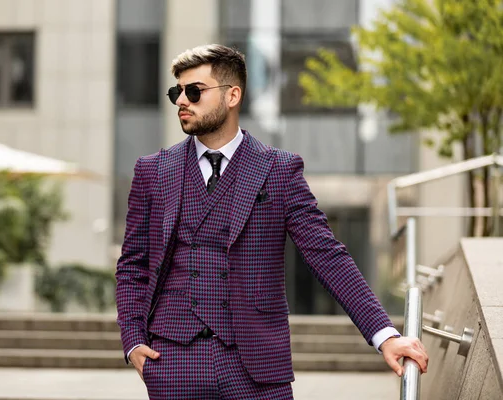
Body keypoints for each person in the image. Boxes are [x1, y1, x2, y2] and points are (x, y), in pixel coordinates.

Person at [115, 44, 428, 400]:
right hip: (173, 364)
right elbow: (132, 266)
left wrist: (385, 335)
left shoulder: (278, 170)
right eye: (177, 92)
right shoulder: (154, 171)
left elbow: (326, 254)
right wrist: (133, 341)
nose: (182, 101)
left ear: (232, 95)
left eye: (194, 91)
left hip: (255, 367)